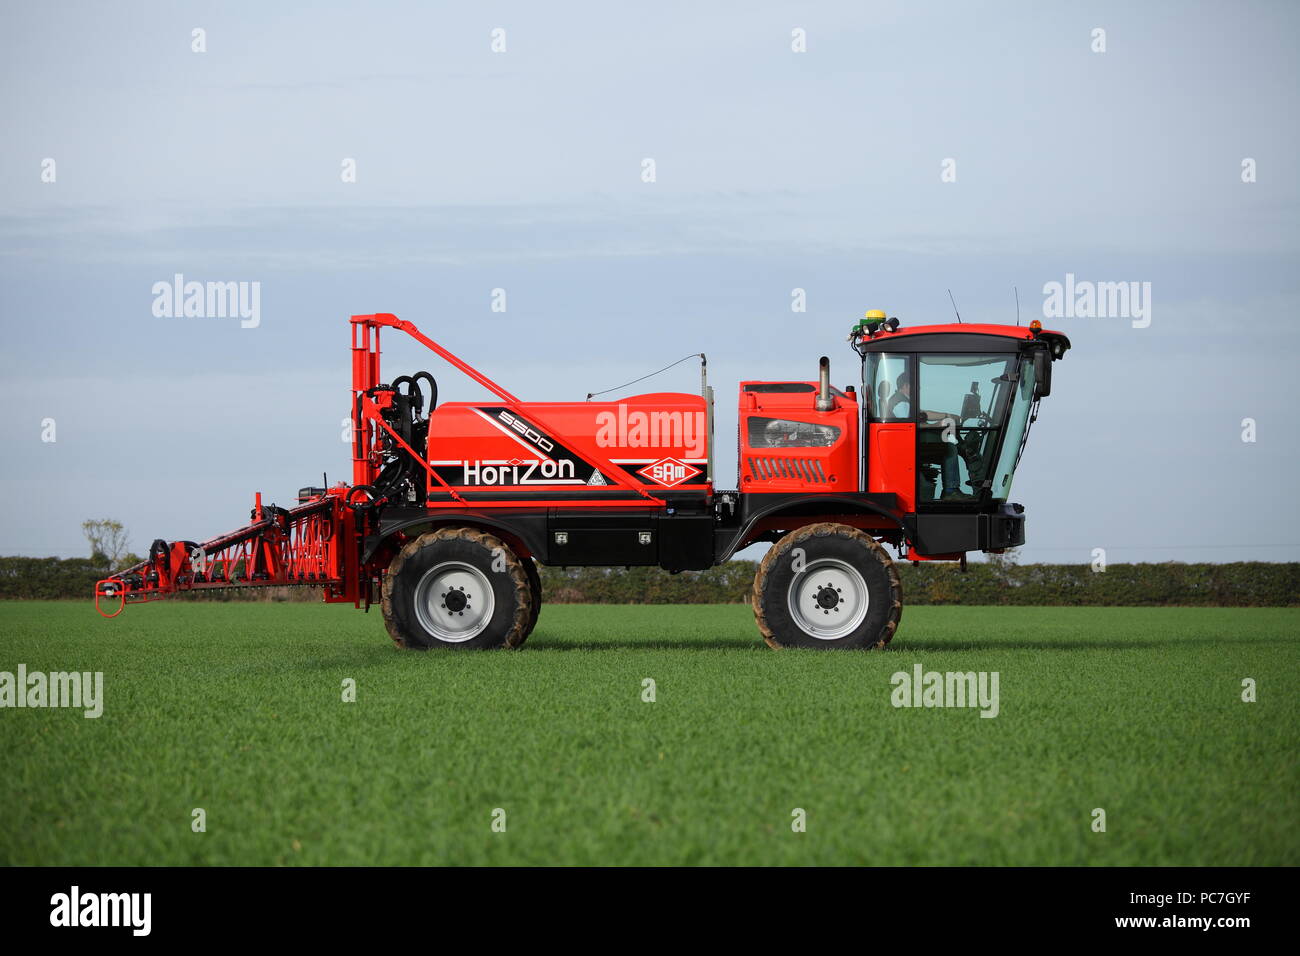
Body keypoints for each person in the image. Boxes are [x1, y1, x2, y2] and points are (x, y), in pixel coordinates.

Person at [886, 372, 974, 501]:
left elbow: (924, 414)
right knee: (950, 449)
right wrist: (938, 424)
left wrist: (947, 415)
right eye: (917, 387)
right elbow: (911, 425)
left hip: (909, 444)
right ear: (906, 385)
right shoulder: (901, 403)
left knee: (948, 443)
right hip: (908, 447)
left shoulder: (902, 400)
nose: (919, 390)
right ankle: (951, 491)